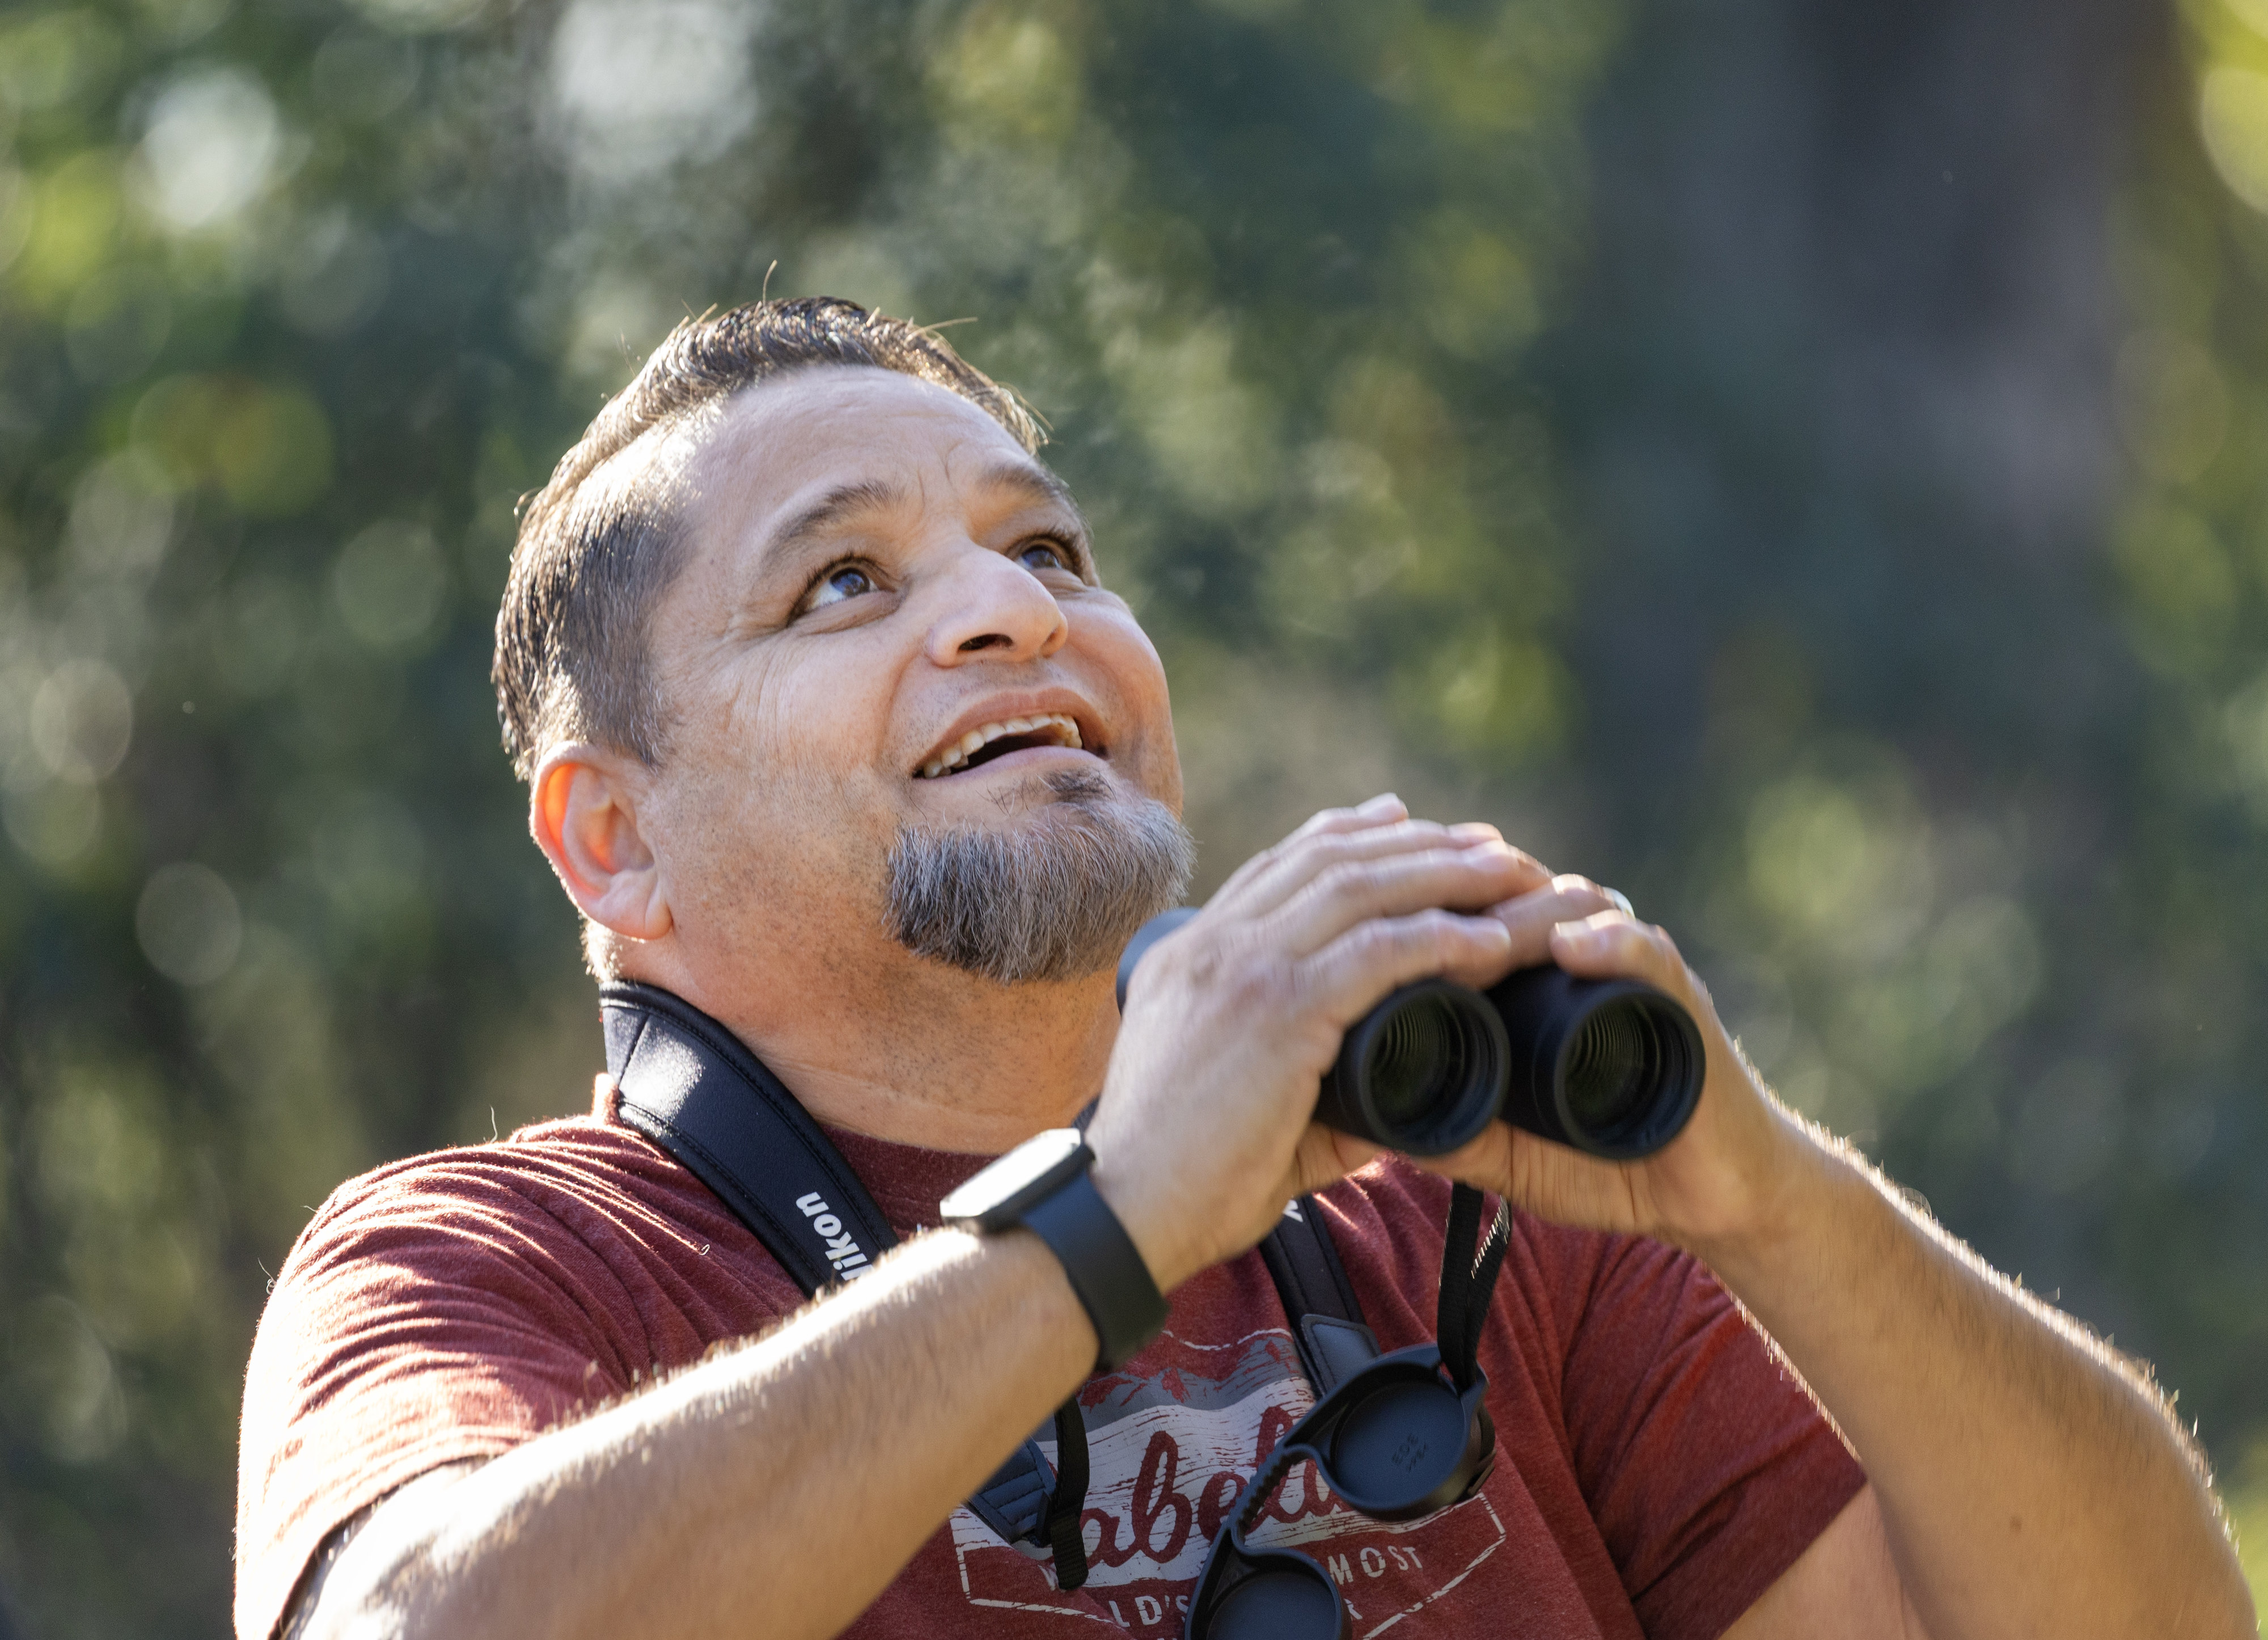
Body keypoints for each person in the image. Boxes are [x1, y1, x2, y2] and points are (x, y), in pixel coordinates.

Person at [236, 298, 2254, 1640]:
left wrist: (1783, 1205)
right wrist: (1111, 1219)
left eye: (1050, 556)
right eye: (844, 581)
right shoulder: (495, 1269)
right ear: (617, 836)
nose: (1012, 619)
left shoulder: (1487, 1213)